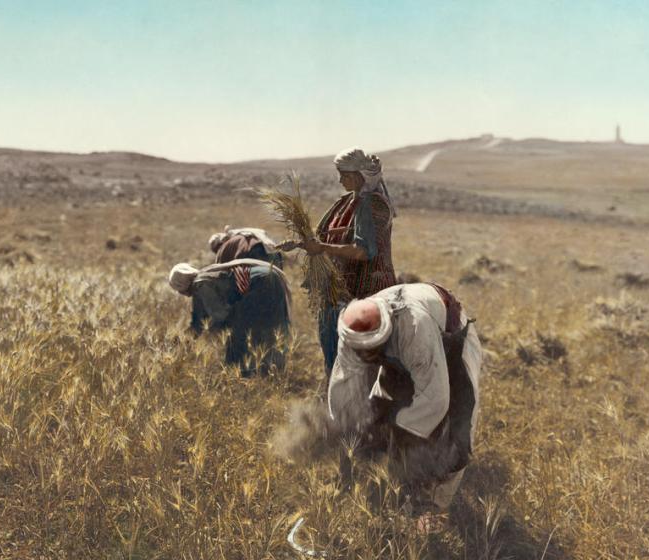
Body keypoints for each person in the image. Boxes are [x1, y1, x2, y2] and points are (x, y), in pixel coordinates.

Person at [327, 282, 482, 517]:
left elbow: (435, 398)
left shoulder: (415, 327)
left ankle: (436, 507)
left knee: (457, 428)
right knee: (382, 408)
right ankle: (389, 493)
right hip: (404, 353)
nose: (366, 357)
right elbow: (343, 387)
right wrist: (351, 432)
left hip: (450, 341)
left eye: (372, 350)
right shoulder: (350, 335)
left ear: (385, 334)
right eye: (362, 352)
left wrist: (398, 433)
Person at [283, 148, 396, 374]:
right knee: (334, 358)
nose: (339, 179)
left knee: (355, 365)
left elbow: (365, 251)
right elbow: (329, 236)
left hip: (363, 292)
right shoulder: (346, 202)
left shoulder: (372, 205)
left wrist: (322, 248)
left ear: (358, 176)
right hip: (338, 291)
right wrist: (302, 243)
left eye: (344, 174)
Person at [168, 258, 291, 376]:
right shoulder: (204, 278)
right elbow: (199, 322)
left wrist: (211, 332)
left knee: (239, 335)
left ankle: (243, 375)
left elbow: (221, 315)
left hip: (261, 284)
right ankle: (271, 372)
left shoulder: (200, 285)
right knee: (268, 330)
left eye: (178, 289)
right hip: (271, 279)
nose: (181, 293)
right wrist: (184, 339)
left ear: (182, 283)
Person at [208, 226, 283, 268]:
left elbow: (220, 272)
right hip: (274, 253)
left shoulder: (223, 247)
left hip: (254, 252)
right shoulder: (243, 234)